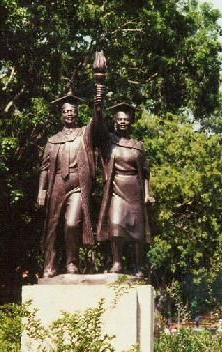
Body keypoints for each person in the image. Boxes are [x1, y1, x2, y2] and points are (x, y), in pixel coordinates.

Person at [37, 89, 105, 277]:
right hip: (57, 183)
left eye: (73, 110)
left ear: (77, 113)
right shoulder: (52, 141)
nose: (70, 113)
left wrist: (98, 104)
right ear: (61, 114)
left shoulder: (84, 134)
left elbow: (97, 123)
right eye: (66, 111)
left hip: (77, 185)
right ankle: (49, 265)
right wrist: (41, 190)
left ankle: (72, 263)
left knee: (72, 223)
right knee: (52, 226)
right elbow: (44, 168)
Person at [97, 102, 152, 275]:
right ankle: (117, 262)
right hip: (116, 188)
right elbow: (96, 129)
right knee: (116, 224)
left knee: (137, 231)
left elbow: (145, 172)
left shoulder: (138, 146)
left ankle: (138, 265)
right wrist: (98, 104)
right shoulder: (109, 142)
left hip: (134, 189)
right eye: (119, 119)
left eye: (126, 119)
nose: (122, 122)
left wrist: (148, 193)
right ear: (115, 120)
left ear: (131, 121)